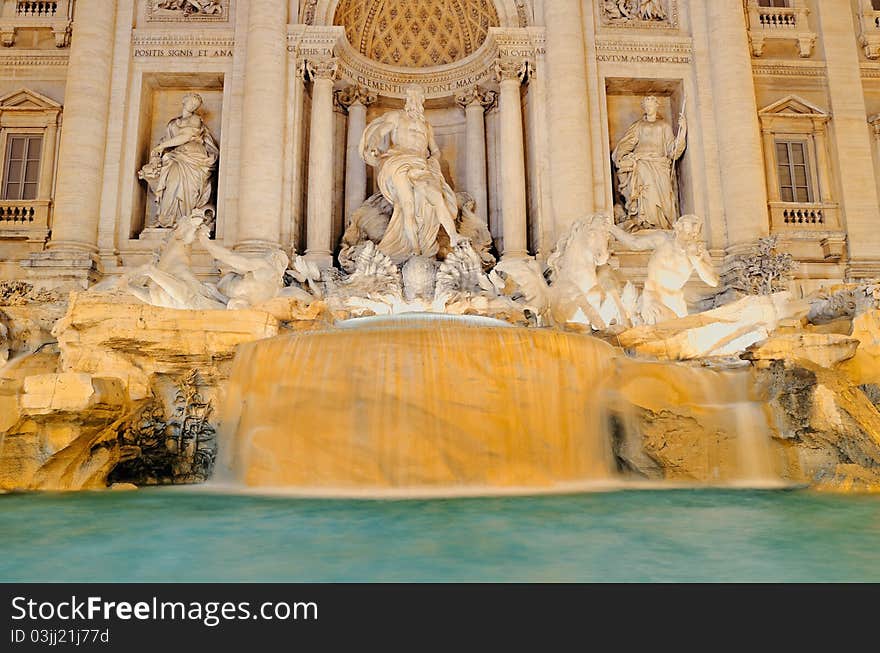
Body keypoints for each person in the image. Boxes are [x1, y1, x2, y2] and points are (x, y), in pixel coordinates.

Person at [359, 84, 462, 264]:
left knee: (436, 196)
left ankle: (454, 236)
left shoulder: (427, 126)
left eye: (418, 96)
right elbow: (380, 131)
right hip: (398, 160)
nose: (414, 100)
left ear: (422, 101)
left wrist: (433, 160)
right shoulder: (396, 117)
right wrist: (373, 145)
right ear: (407, 99)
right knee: (407, 204)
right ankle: (414, 248)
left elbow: (435, 151)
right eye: (411, 96)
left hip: (421, 164)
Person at [609, 215, 719, 324]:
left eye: (695, 235)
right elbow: (634, 243)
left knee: (683, 335)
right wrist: (611, 227)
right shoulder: (662, 239)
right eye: (688, 233)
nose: (691, 238)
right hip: (653, 296)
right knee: (669, 328)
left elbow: (713, 281)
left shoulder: (698, 252)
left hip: (676, 301)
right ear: (678, 228)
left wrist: (696, 261)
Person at [139, 93, 219, 228]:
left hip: (193, 157)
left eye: (196, 104)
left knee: (183, 186)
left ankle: (183, 221)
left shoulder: (195, 119)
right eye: (191, 102)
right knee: (171, 183)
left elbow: (186, 136)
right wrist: (157, 154)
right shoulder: (172, 123)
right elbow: (167, 140)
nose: (193, 105)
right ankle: (168, 219)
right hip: (175, 156)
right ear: (184, 101)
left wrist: (161, 146)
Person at [612, 95, 686, 231]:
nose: (649, 108)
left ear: (657, 106)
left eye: (651, 105)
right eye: (646, 106)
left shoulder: (664, 126)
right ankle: (645, 222)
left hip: (660, 164)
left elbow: (672, 151)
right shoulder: (638, 126)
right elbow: (627, 143)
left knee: (663, 197)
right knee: (647, 192)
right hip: (642, 163)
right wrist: (621, 156)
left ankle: (662, 224)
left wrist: (683, 131)